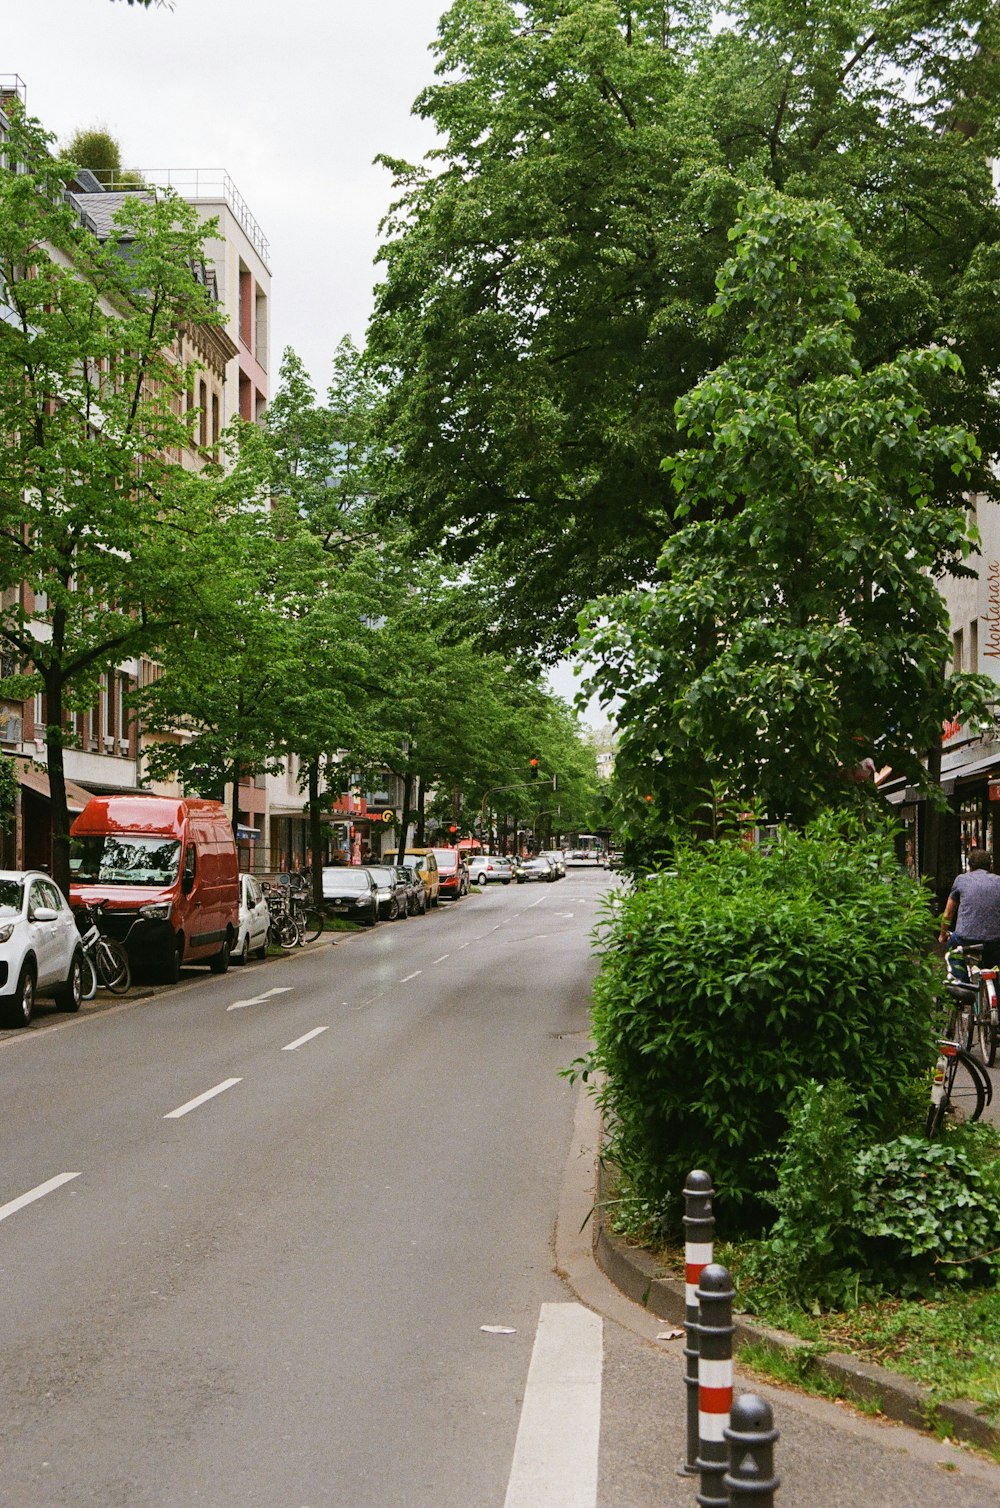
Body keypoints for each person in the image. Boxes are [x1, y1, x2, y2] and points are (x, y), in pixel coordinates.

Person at [938, 848, 1000, 966]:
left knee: (952, 950)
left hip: (965, 938)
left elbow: (948, 914)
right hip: (995, 941)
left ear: (969, 866)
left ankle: (961, 981)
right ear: (990, 866)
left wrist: (942, 935)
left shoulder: (961, 880)